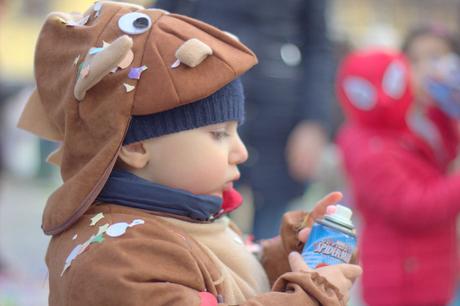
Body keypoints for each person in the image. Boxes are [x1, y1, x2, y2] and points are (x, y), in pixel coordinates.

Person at [17, 2, 361, 305]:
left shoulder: (180, 217)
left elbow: (230, 280)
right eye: (218, 134)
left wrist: (292, 257)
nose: (240, 151)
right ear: (135, 145)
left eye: (235, 132)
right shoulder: (116, 258)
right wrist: (310, 296)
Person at [152, 0, 334, 239]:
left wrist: (314, 123)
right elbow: (161, 24)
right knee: (200, 236)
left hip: (280, 125)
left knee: (275, 244)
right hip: (206, 109)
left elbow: (318, 45)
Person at [336, 49, 460, 306]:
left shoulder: (403, 129)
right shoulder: (371, 149)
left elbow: (443, 155)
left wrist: (446, 109)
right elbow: (416, 207)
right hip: (403, 283)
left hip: (427, 271)